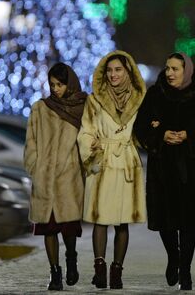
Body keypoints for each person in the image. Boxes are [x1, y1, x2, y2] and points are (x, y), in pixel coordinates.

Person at [134, 52, 195, 290]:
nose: (169, 73)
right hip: (163, 167)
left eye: (175, 69)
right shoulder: (155, 94)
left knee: (188, 222)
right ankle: (174, 257)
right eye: (167, 68)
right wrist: (161, 135)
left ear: (186, 70)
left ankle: (186, 271)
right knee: (166, 222)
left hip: (193, 169)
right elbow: (141, 127)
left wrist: (189, 135)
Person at [77, 50, 147, 290]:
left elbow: (144, 132)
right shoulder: (94, 100)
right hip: (103, 162)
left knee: (122, 222)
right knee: (100, 219)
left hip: (127, 161)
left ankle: (117, 271)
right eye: (109, 70)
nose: (113, 74)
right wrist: (91, 146)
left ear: (128, 71)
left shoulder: (139, 99)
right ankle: (100, 269)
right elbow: (85, 131)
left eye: (118, 69)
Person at [24, 62, 88, 291]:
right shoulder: (40, 108)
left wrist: (82, 168)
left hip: (68, 179)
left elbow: (88, 142)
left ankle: (71, 258)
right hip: (44, 177)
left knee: (69, 229)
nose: (55, 89)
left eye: (60, 84)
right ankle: (55, 272)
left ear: (69, 83)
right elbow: (31, 140)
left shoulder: (82, 108)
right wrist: (34, 165)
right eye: (52, 84)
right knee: (48, 228)